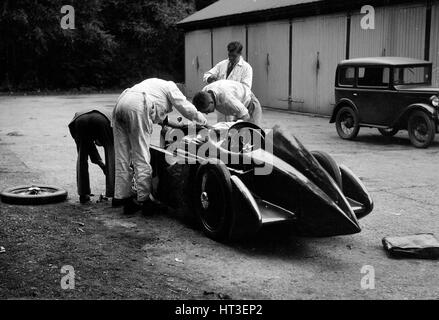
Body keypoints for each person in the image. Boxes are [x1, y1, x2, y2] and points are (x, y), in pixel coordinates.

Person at [113, 78, 208, 215]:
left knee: (122, 156)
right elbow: (185, 107)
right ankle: (144, 200)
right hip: (137, 105)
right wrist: (202, 121)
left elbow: (158, 115)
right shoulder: (171, 87)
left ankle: (122, 197)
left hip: (122, 102)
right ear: (179, 90)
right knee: (141, 154)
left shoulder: (155, 86)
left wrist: (178, 125)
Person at [68, 108, 115, 204]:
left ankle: (83, 194)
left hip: (79, 120)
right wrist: (106, 167)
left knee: (82, 156)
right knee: (111, 153)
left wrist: (102, 165)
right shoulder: (114, 124)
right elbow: (94, 149)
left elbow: (89, 147)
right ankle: (113, 192)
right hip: (102, 120)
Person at [192, 79, 262, 126]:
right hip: (238, 106)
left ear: (211, 102)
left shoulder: (227, 99)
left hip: (249, 104)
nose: (207, 113)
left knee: (254, 135)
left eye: (207, 110)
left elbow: (245, 116)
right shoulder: (204, 92)